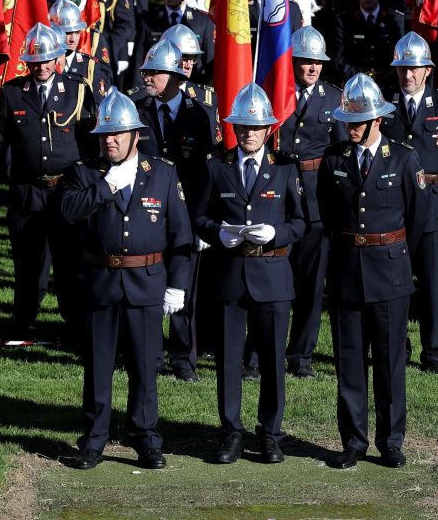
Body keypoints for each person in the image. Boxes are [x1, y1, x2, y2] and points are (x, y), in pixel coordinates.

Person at [59, 89, 192, 471]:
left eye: (118, 134)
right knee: (99, 365)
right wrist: (106, 186)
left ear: (137, 135)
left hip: (146, 281)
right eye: (105, 134)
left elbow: (181, 236)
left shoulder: (162, 173)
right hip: (100, 281)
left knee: (145, 366)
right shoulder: (85, 172)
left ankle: (146, 437)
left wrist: (177, 284)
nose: (110, 140)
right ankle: (94, 439)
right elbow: (66, 211)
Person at [317, 74, 427, 470]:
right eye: (347, 121)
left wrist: (394, 253)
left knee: (389, 361)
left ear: (377, 120)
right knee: (349, 361)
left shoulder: (403, 158)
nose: (351, 128)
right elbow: (328, 213)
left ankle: (391, 440)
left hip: (389, 271)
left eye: (357, 122)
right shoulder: (334, 159)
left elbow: (417, 218)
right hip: (348, 270)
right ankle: (353, 440)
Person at [193, 84, 306, 464]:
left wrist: (277, 233)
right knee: (227, 360)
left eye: (256, 127)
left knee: (273, 359)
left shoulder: (286, 167)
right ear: (234, 128)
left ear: (268, 129)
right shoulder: (216, 166)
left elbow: (302, 222)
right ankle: (230, 432)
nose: (249, 133)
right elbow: (199, 217)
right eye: (243, 127)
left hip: (272, 274)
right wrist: (216, 232)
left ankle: (271, 433)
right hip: (229, 273)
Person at [0, 24, 97, 340]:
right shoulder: (12, 93)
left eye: (46, 60)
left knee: (69, 265)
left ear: (57, 59)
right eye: (34, 61)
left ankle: (76, 325)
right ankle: (23, 323)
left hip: (65, 193)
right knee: (28, 265)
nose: (40, 67)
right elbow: (5, 140)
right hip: (28, 193)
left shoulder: (78, 90)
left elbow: (90, 143)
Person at [132, 40, 220, 380]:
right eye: (146, 72)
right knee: (151, 285)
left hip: (186, 213)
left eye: (154, 73)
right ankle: (151, 356)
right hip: (148, 211)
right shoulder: (137, 109)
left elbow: (205, 172)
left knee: (185, 289)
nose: (147, 78)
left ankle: (183, 358)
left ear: (173, 77)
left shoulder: (199, 113)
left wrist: (201, 222)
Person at [379, 32, 438, 372]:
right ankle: (396, 346)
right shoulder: (383, 105)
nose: (408, 75)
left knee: (432, 285)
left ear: (427, 70)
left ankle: (433, 353)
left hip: (432, 205)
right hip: (394, 206)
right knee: (394, 284)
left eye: (414, 69)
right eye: (402, 69)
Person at [274, 26, 345, 376]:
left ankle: (300, 355)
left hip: (317, 202)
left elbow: (342, 152)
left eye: (318, 62)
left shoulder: (334, 98)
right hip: (280, 198)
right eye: (306, 62)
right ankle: (261, 353)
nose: (313, 68)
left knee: (312, 285)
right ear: (294, 62)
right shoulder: (276, 93)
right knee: (272, 281)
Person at [330, 0, 405, 85]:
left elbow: (401, 56)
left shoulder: (395, 20)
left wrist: (386, 80)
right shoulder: (344, 21)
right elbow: (339, 58)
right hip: (355, 84)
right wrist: (360, 80)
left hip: (388, 85)